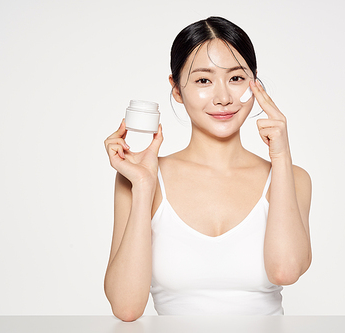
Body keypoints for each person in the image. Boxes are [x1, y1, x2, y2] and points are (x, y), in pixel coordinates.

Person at [103, 16, 312, 322]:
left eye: (237, 78)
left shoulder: (293, 177)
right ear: (176, 89)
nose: (224, 98)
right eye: (203, 80)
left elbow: (285, 270)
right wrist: (144, 186)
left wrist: (281, 156)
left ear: (255, 84)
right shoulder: (140, 179)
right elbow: (126, 308)